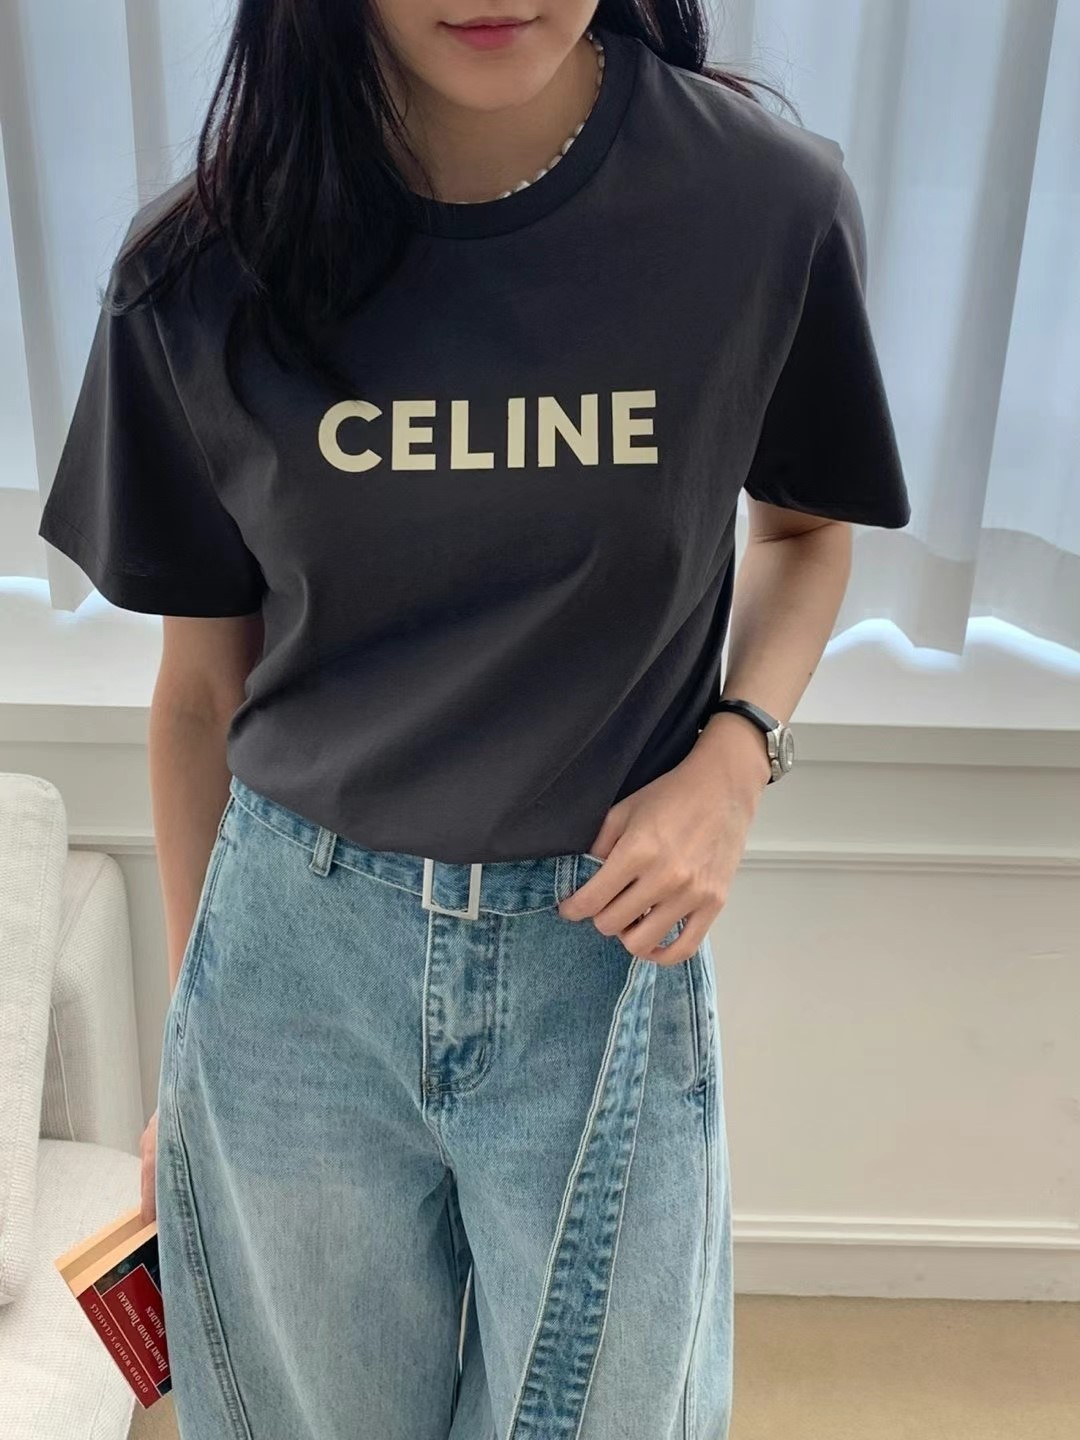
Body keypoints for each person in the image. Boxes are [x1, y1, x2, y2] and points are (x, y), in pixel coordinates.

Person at [38, 1, 910, 1436]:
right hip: (291, 970)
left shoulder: (762, 208)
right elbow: (202, 693)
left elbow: (806, 531)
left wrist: (734, 755)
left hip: (599, 960)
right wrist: (194, 1059)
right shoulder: (200, 269)